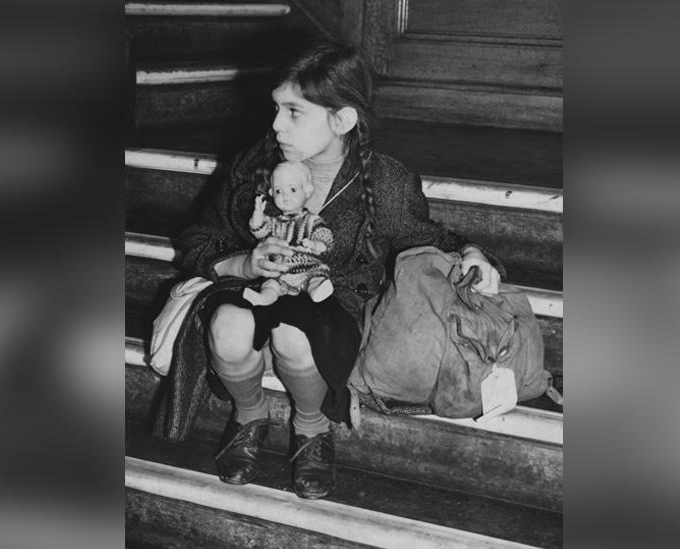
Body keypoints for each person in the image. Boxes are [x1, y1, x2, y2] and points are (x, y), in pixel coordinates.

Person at [177, 41, 504, 500]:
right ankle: (249, 416)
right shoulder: (256, 165)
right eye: (276, 108)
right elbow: (197, 240)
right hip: (257, 286)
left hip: (329, 298)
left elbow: (425, 236)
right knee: (227, 325)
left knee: (295, 335)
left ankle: (311, 427)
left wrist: (473, 253)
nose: (275, 125)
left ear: (343, 119)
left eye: (294, 112)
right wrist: (244, 262)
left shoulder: (382, 180)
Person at [243, 161, 335, 306]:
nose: (285, 196)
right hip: (280, 270)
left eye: (292, 189)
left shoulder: (311, 220)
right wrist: (258, 212)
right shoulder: (274, 222)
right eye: (279, 191)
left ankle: (316, 290)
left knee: (316, 278)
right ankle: (264, 298)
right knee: (270, 285)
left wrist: (315, 244)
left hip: (307, 267)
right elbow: (258, 230)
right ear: (271, 193)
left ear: (307, 190)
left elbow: (325, 238)